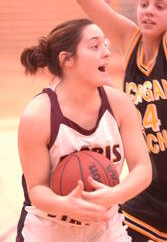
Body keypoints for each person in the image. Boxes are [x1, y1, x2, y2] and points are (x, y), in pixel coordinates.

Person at [16, 18, 152, 242]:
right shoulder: (38, 115)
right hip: (49, 229)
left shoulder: (119, 104)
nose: (107, 52)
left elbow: (143, 168)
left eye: (106, 45)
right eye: (95, 46)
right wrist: (65, 205)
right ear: (66, 59)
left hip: (104, 228)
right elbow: (37, 188)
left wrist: (113, 195)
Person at [69, 0, 167, 241]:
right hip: (150, 191)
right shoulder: (130, 39)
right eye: (144, 4)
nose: (149, 11)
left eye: (160, 6)